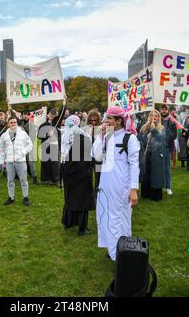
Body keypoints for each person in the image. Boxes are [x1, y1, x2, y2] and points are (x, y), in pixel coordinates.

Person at [92, 106, 140, 261]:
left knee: (120, 220)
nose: (106, 121)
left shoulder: (130, 138)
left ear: (119, 121)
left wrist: (133, 189)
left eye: (110, 118)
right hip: (105, 185)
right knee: (105, 217)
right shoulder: (107, 136)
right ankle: (113, 249)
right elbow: (97, 156)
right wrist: (100, 135)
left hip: (121, 187)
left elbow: (134, 164)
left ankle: (122, 253)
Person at [61, 115, 94, 236]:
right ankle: (81, 227)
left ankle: (68, 222)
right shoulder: (83, 136)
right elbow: (89, 155)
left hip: (67, 169)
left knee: (70, 196)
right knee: (82, 199)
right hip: (80, 171)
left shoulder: (65, 135)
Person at [0, 116, 33, 206]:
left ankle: (25, 197)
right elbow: (1, 149)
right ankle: (11, 197)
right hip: (9, 161)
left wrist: (23, 152)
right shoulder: (4, 136)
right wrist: (2, 162)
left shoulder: (23, 134)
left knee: (23, 180)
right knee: (10, 180)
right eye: (11, 122)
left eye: (14, 122)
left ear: (17, 123)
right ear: (8, 124)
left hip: (20, 161)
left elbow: (30, 145)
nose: (13, 124)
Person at [138, 110, 166, 202]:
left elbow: (161, 139)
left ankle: (155, 195)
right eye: (152, 116)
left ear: (159, 118)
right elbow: (140, 138)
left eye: (156, 116)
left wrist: (154, 130)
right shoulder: (144, 127)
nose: (154, 117)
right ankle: (145, 193)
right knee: (146, 174)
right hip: (146, 154)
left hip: (156, 154)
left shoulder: (161, 128)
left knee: (155, 174)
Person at [38, 109, 63, 185]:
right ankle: (46, 179)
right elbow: (39, 136)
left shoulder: (57, 124)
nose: (52, 115)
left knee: (55, 163)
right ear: (48, 115)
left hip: (55, 146)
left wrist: (64, 103)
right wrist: (47, 135)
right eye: (50, 113)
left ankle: (56, 180)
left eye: (54, 114)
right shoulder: (43, 125)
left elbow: (62, 113)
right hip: (45, 146)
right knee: (46, 162)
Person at [82, 109, 102, 194]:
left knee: (98, 175)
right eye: (91, 120)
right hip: (88, 156)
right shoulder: (85, 128)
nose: (93, 122)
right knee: (88, 175)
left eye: (95, 120)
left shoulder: (102, 128)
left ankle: (97, 193)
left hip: (98, 157)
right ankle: (89, 193)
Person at [160, 104, 177, 195]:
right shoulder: (157, 121)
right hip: (157, 147)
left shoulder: (172, 122)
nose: (163, 111)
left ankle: (168, 187)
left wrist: (166, 136)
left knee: (167, 168)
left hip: (167, 147)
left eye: (165, 109)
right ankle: (160, 185)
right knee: (158, 167)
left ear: (168, 111)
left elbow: (174, 136)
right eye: (162, 109)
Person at [20, 110, 38, 184]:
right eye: (23, 114)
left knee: (31, 163)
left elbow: (33, 137)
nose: (25, 116)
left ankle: (34, 177)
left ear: (29, 116)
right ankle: (23, 176)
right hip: (20, 146)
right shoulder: (19, 123)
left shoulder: (32, 125)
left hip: (29, 146)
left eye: (26, 114)